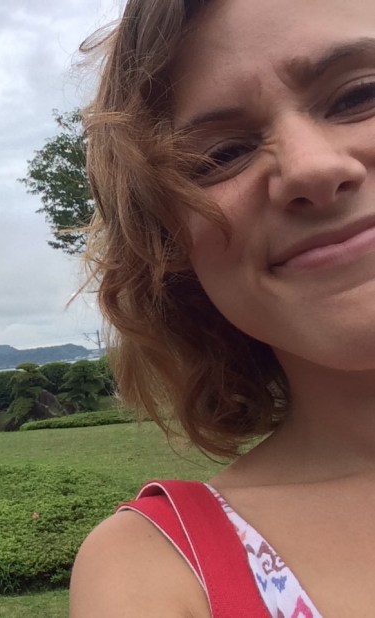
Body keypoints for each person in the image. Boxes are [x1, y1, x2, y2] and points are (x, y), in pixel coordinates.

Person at [69, 0, 375, 616]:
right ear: (171, 251)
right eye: (221, 155)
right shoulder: (160, 571)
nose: (312, 168)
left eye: (357, 96)